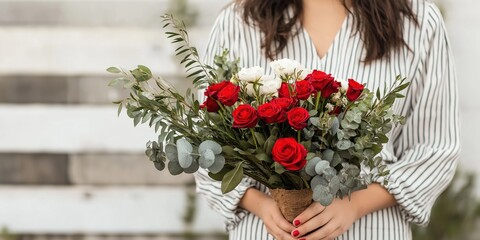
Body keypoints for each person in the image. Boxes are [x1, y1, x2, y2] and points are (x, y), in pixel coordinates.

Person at [194, 0, 460, 239]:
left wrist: (355, 205)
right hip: (264, 232)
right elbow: (206, 145)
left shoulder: (419, 23)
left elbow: (436, 148)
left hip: (371, 229)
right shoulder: (238, 22)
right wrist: (263, 206)